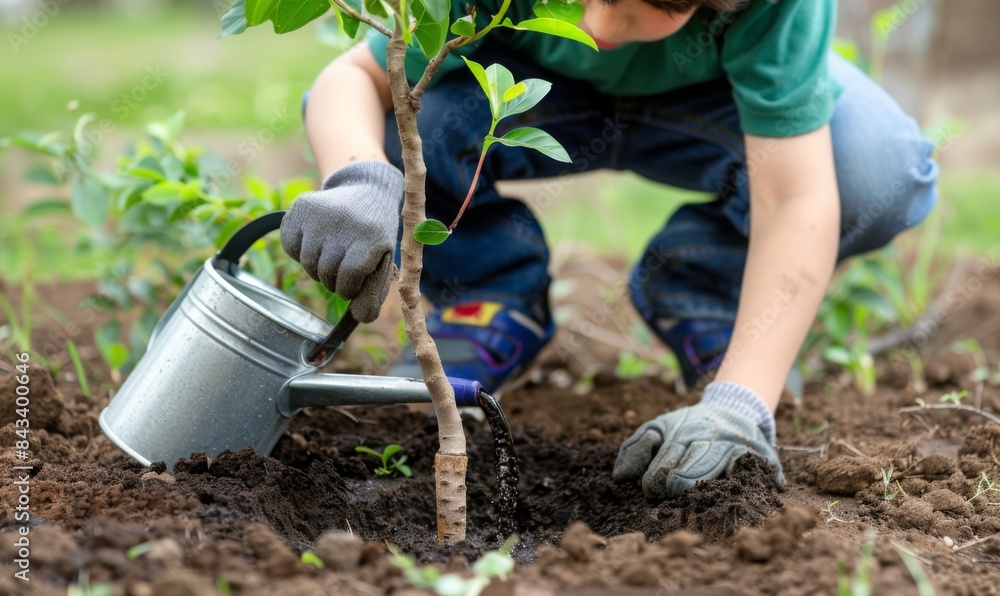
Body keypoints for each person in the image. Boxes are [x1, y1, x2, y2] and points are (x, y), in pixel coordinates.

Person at [279, 0, 939, 500]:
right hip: (523, 93)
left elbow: (798, 197)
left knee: (874, 172)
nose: (597, 23)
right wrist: (361, 178)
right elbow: (358, 76)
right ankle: (486, 295)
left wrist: (742, 404)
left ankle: (708, 292)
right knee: (403, 122)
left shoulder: (770, 8)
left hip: (714, 107)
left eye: (638, 8)